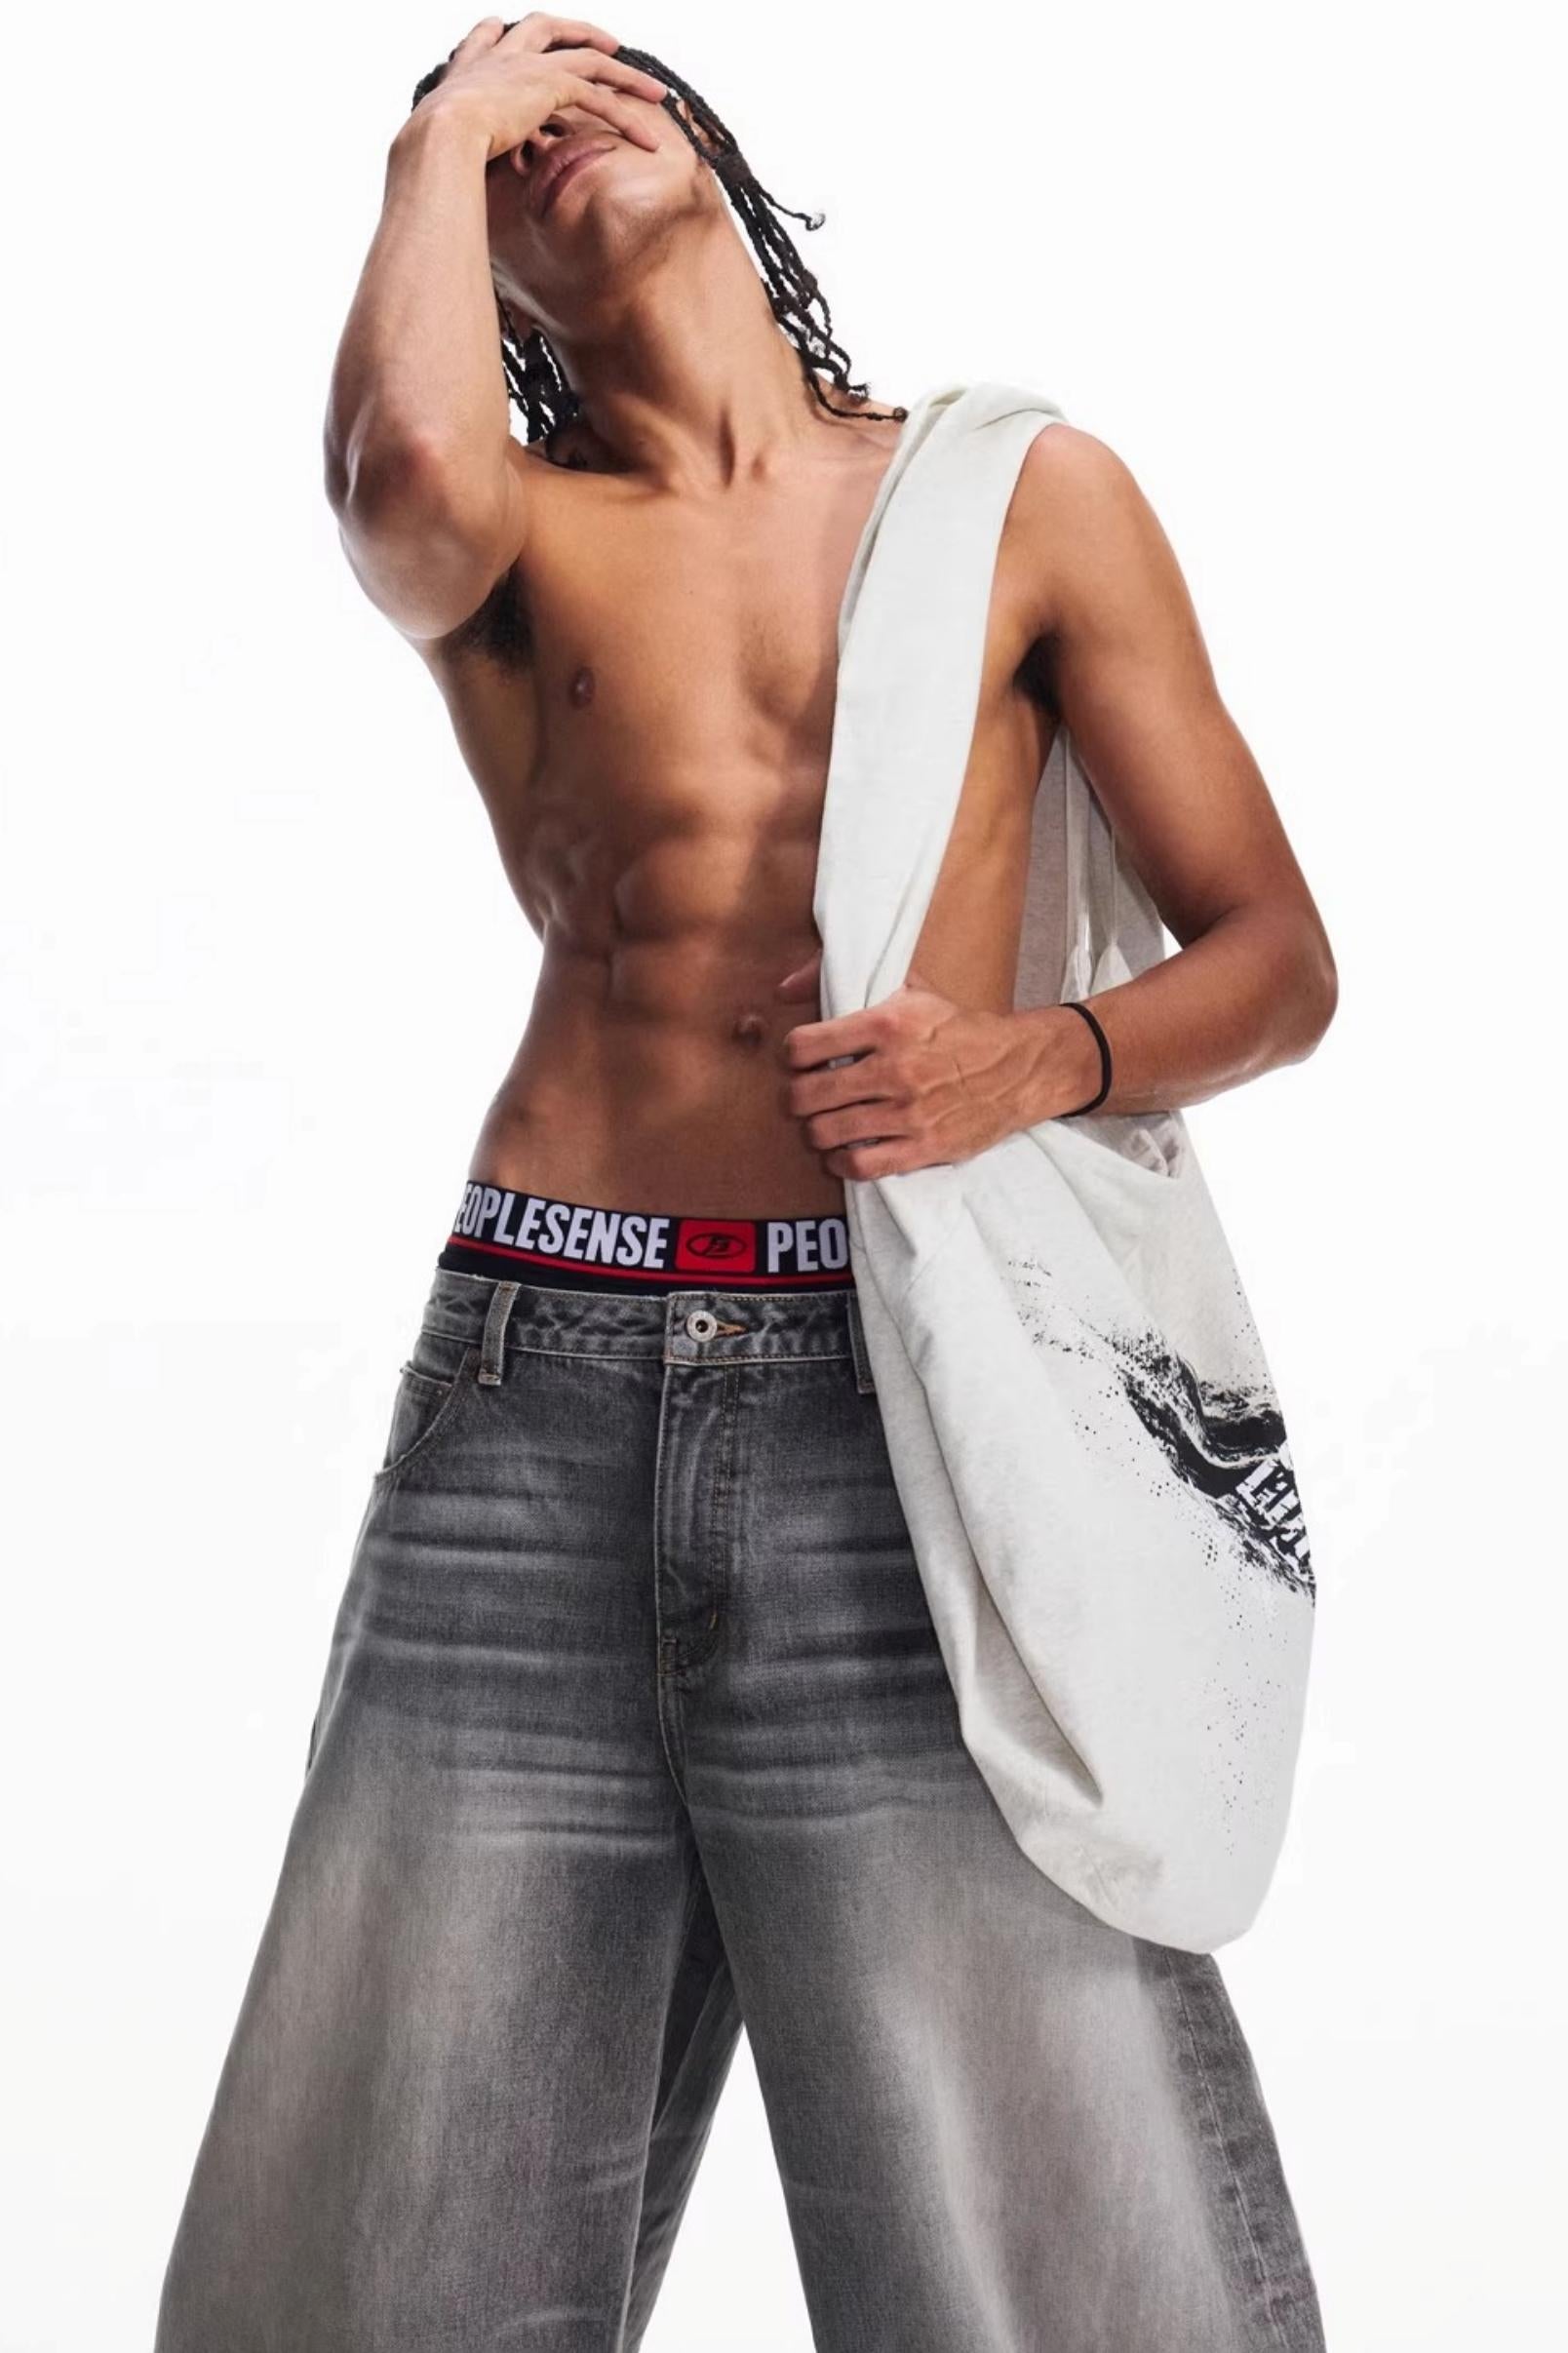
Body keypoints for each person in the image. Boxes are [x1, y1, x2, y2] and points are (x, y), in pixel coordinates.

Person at [154, 16, 1337, 2349]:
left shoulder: (1020, 498)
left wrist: (1031, 1058)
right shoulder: (517, 537)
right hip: (536, 1386)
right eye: (500, 118)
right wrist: (434, 144)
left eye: (599, 65)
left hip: (894, 1397)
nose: (551, 103)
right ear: (472, 257)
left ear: (717, 144)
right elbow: (400, 468)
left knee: (1048, 2237)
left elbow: (1279, 955)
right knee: (393, 2241)